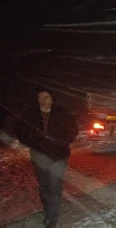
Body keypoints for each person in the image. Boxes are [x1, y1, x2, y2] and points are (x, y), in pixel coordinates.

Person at [17, 87, 78, 228]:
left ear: (52, 98)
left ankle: (52, 220)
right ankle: (49, 211)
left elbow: (72, 131)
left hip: (58, 156)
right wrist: (36, 143)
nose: (43, 100)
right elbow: (21, 133)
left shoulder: (62, 113)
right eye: (40, 97)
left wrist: (59, 143)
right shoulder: (30, 114)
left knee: (55, 187)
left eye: (46, 97)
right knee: (44, 187)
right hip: (39, 156)